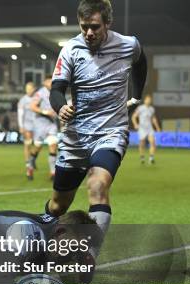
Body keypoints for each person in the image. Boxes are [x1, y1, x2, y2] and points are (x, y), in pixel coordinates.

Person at [46, 0, 147, 269]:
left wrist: (137, 95)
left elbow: (141, 61)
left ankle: (87, 255)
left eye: (94, 27)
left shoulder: (128, 44)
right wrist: (61, 106)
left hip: (111, 132)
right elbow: (56, 89)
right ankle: (41, 242)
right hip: (76, 137)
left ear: (107, 24)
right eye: (84, 27)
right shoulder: (70, 49)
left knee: (98, 186)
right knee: (57, 206)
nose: (89, 33)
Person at [29, 76, 58, 180]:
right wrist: (46, 112)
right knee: (37, 147)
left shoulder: (56, 92)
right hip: (40, 124)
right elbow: (32, 106)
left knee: (53, 145)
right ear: (45, 82)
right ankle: (30, 164)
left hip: (51, 124)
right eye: (50, 81)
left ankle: (53, 172)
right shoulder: (40, 93)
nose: (52, 83)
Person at [132, 95, 160, 164]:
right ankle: (142, 157)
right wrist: (135, 124)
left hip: (149, 128)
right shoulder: (140, 108)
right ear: (145, 100)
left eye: (150, 100)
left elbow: (153, 119)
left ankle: (151, 158)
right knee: (142, 143)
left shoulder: (151, 109)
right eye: (147, 99)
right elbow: (133, 117)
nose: (148, 101)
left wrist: (157, 127)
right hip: (142, 128)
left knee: (153, 142)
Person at [17, 82, 36, 179]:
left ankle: (33, 159)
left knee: (36, 145)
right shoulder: (23, 100)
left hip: (38, 126)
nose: (28, 90)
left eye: (30, 88)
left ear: (34, 89)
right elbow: (20, 114)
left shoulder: (37, 98)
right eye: (27, 88)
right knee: (28, 144)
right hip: (27, 126)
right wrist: (21, 126)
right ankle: (29, 167)